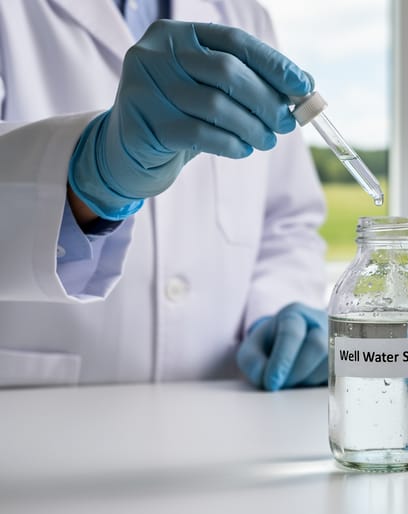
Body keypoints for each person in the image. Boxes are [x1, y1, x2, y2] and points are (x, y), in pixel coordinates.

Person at [0, 0, 329, 390]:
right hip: (32, 415)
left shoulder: (246, 15)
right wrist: (86, 173)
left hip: (224, 415)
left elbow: (286, 221)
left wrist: (276, 311)